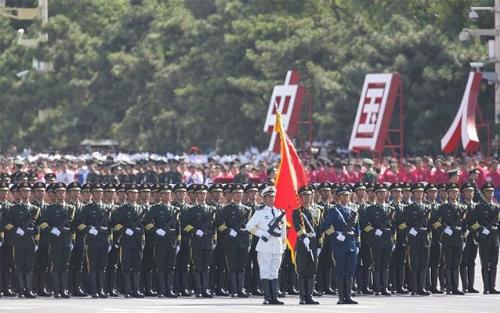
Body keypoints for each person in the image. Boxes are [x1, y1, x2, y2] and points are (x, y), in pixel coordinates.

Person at [245, 186, 286, 305]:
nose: (271, 199)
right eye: (268, 197)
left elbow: (283, 231)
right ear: (263, 198)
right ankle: (267, 297)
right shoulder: (260, 212)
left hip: (277, 244)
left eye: (272, 196)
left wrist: (283, 246)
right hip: (265, 245)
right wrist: (262, 233)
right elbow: (249, 226)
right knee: (265, 270)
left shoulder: (280, 212)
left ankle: (274, 297)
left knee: (275, 271)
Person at [322, 184, 359, 304]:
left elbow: (358, 230)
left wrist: (357, 244)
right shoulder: (334, 211)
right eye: (343, 195)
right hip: (339, 245)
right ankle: (341, 297)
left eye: (347, 195)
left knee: (350, 270)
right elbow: (325, 227)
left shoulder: (353, 210)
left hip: (351, 244)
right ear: (338, 197)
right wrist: (336, 234)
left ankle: (348, 296)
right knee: (340, 270)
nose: (346, 197)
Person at [144, 184, 180, 298]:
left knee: (170, 267)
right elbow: (147, 223)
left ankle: (169, 290)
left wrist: (178, 243)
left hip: (172, 242)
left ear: (171, 195)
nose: (166, 196)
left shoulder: (176, 209)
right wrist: (156, 230)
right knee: (161, 267)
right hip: (159, 242)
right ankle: (162, 291)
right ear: (160, 195)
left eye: (168, 194)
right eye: (164, 193)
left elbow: (178, 228)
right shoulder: (155, 208)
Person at [216, 183, 252, 297]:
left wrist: (247, 234)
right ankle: (234, 290)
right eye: (236, 193)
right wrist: (228, 231)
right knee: (232, 267)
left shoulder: (248, 209)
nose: (238, 195)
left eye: (240, 193)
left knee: (241, 267)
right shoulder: (226, 208)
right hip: (231, 242)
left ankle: (241, 289)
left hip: (244, 241)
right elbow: (219, 224)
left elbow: (251, 226)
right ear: (232, 194)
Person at [182, 184, 216, 298]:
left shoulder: (211, 209)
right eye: (200, 193)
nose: (202, 195)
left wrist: (209, 232)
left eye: (204, 193)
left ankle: (205, 289)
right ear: (196, 195)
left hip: (208, 242)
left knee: (206, 266)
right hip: (196, 242)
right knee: (197, 266)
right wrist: (195, 231)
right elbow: (184, 225)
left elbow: (215, 226)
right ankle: (198, 290)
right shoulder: (192, 210)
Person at [112, 184, 145, 298]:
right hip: (126, 241)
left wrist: (138, 230)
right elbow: (114, 224)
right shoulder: (121, 209)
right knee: (126, 266)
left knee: (137, 266)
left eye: (135, 193)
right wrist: (125, 229)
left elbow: (146, 225)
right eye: (131, 193)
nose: (134, 195)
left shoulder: (141, 209)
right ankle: (127, 290)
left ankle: (136, 290)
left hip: (138, 241)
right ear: (126, 194)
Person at [362, 183, 394, 296]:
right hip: (376, 240)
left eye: (384, 192)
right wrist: (374, 231)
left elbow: (394, 226)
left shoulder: (391, 209)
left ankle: (384, 287)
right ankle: (377, 288)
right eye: (380, 192)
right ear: (375, 194)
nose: (382, 194)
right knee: (377, 264)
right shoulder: (371, 209)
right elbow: (365, 225)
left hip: (387, 240)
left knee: (385, 265)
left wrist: (393, 239)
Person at [7, 182, 38, 298]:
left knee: (29, 267)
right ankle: (21, 289)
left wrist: (37, 242)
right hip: (18, 242)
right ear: (19, 193)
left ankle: (28, 289)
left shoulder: (35, 209)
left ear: (30, 193)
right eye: (23, 191)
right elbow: (7, 224)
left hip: (30, 242)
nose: (26, 193)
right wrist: (17, 230)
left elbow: (37, 227)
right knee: (19, 266)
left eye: (28, 191)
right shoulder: (14, 208)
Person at [292, 185, 321, 305]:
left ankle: (309, 296)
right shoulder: (297, 211)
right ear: (300, 197)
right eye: (304, 195)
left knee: (312, 270)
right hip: (303, 244)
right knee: (303, 270)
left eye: (309, 194)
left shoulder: (317, 210)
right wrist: (304, 238)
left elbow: (319, 228)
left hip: (314, 243)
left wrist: (319, 243)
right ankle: (302, 297)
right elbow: (297, 226)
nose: (307, 197)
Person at [469, 182, 500, 294]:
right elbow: (472, 223)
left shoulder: (497, 207)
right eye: (488, 191)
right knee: (485, 264)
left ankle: (492, 287)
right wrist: (481, 230)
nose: (490, 193)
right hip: (484, 239)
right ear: (483, 193)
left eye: (492, 191)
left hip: (495, 239)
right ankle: (486, 287)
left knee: (494, 264)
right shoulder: (479, 207)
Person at [436, 183, 466, 295]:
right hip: (447, 239)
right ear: (448, 194)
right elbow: (436, 222)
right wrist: (445, 229)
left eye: (456, 192)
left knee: (456, 264)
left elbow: (465, 224)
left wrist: (464, 234)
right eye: (452, 192)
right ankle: (449, 287)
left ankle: (456, 287)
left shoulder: (462, 207)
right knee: (448, 264)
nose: (454, 194)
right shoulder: (443, 207)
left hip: (458, 238)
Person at [402, 183, 431, 295]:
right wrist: (412, 231)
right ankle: (414, 288)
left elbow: (429, 225)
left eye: (421, 192)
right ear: (413, 194)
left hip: (424, 239)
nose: (420, 194)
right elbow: (402, 224)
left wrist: (426, 231)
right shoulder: (409, 208)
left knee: (423, 264)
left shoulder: (426, 207)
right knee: (414, 264)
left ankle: (421, 287)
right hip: (414, 240)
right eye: (417, 192)